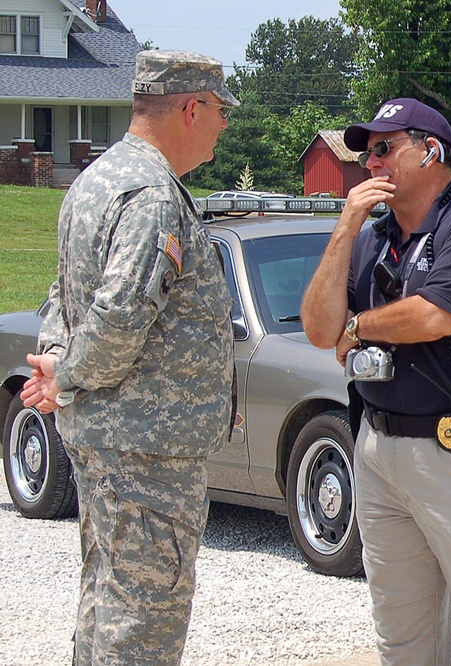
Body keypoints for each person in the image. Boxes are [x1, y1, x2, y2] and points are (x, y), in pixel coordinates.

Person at [301, 98, 451, 665]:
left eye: (385, 148)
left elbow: (436, 315)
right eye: (366, 153)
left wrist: (358, 326)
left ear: (431, 150)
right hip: (382, 452)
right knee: (403, 639)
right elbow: (319, 330)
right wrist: (345, 227)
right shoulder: (369, 239)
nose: (371, 163)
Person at [20, 50, 238, 664]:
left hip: (112, 439)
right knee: (141, 622)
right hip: (147, 448)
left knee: (106, 605)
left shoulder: (96, 180)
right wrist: (68, 370)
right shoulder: (150, 196)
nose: (224, 126)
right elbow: (119, 315)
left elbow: (62, 300)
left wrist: (58, 364)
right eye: (220, 111)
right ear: (191, 108)